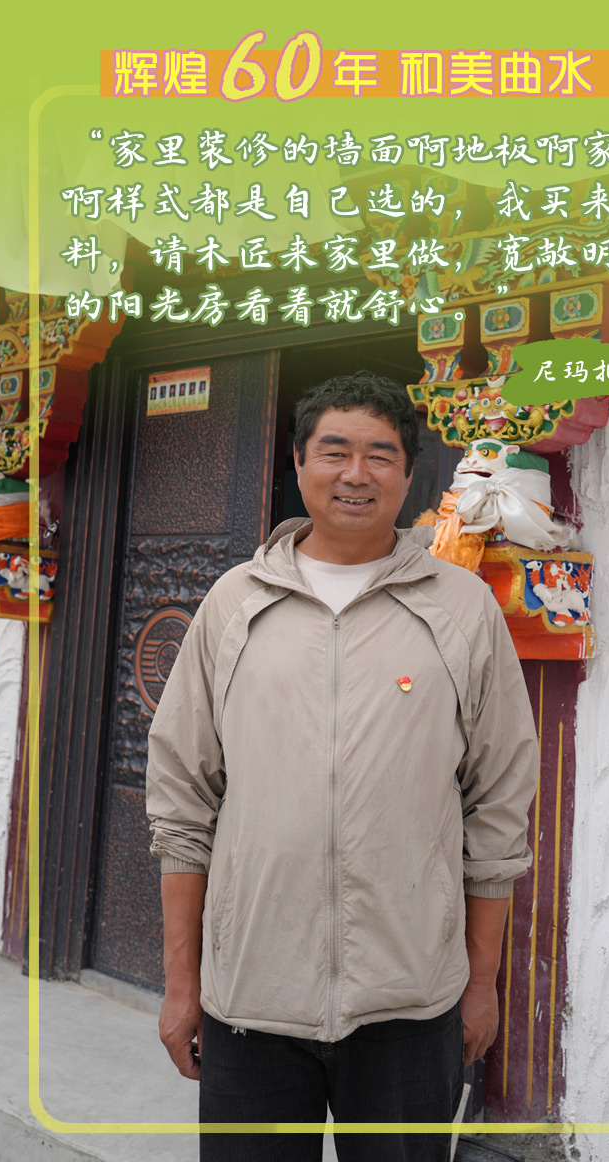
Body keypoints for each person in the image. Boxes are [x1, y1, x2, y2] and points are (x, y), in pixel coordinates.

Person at [146, 371, 539, 1162]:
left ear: (409, 472)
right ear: (298, 463)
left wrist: (480, 982)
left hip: (410, 1001)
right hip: (251, 996)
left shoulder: (462, 609)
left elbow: (497, 807)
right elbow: (184, 803)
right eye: (334, 451)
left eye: (379, 455)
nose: (355, 474)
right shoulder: (234, 603)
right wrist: (184, 985)